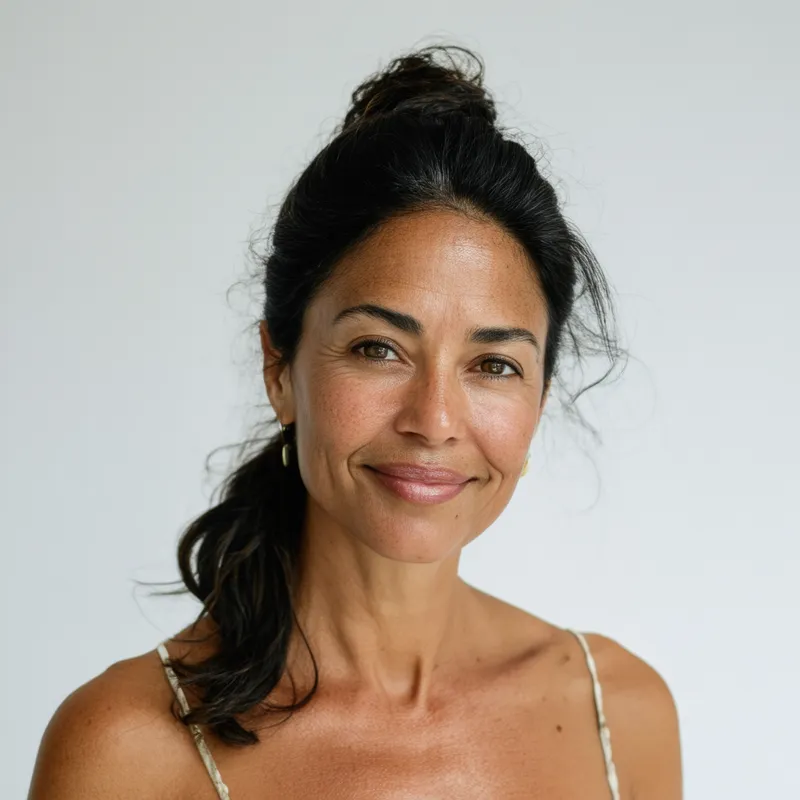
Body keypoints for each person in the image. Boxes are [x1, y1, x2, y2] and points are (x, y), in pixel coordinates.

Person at [28, 44, 683, 799]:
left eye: (493, 364)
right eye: (379, 349)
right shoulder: (126, 749)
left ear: (540, 395)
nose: (434, 419)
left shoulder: (621, 713)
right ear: (281, 369)